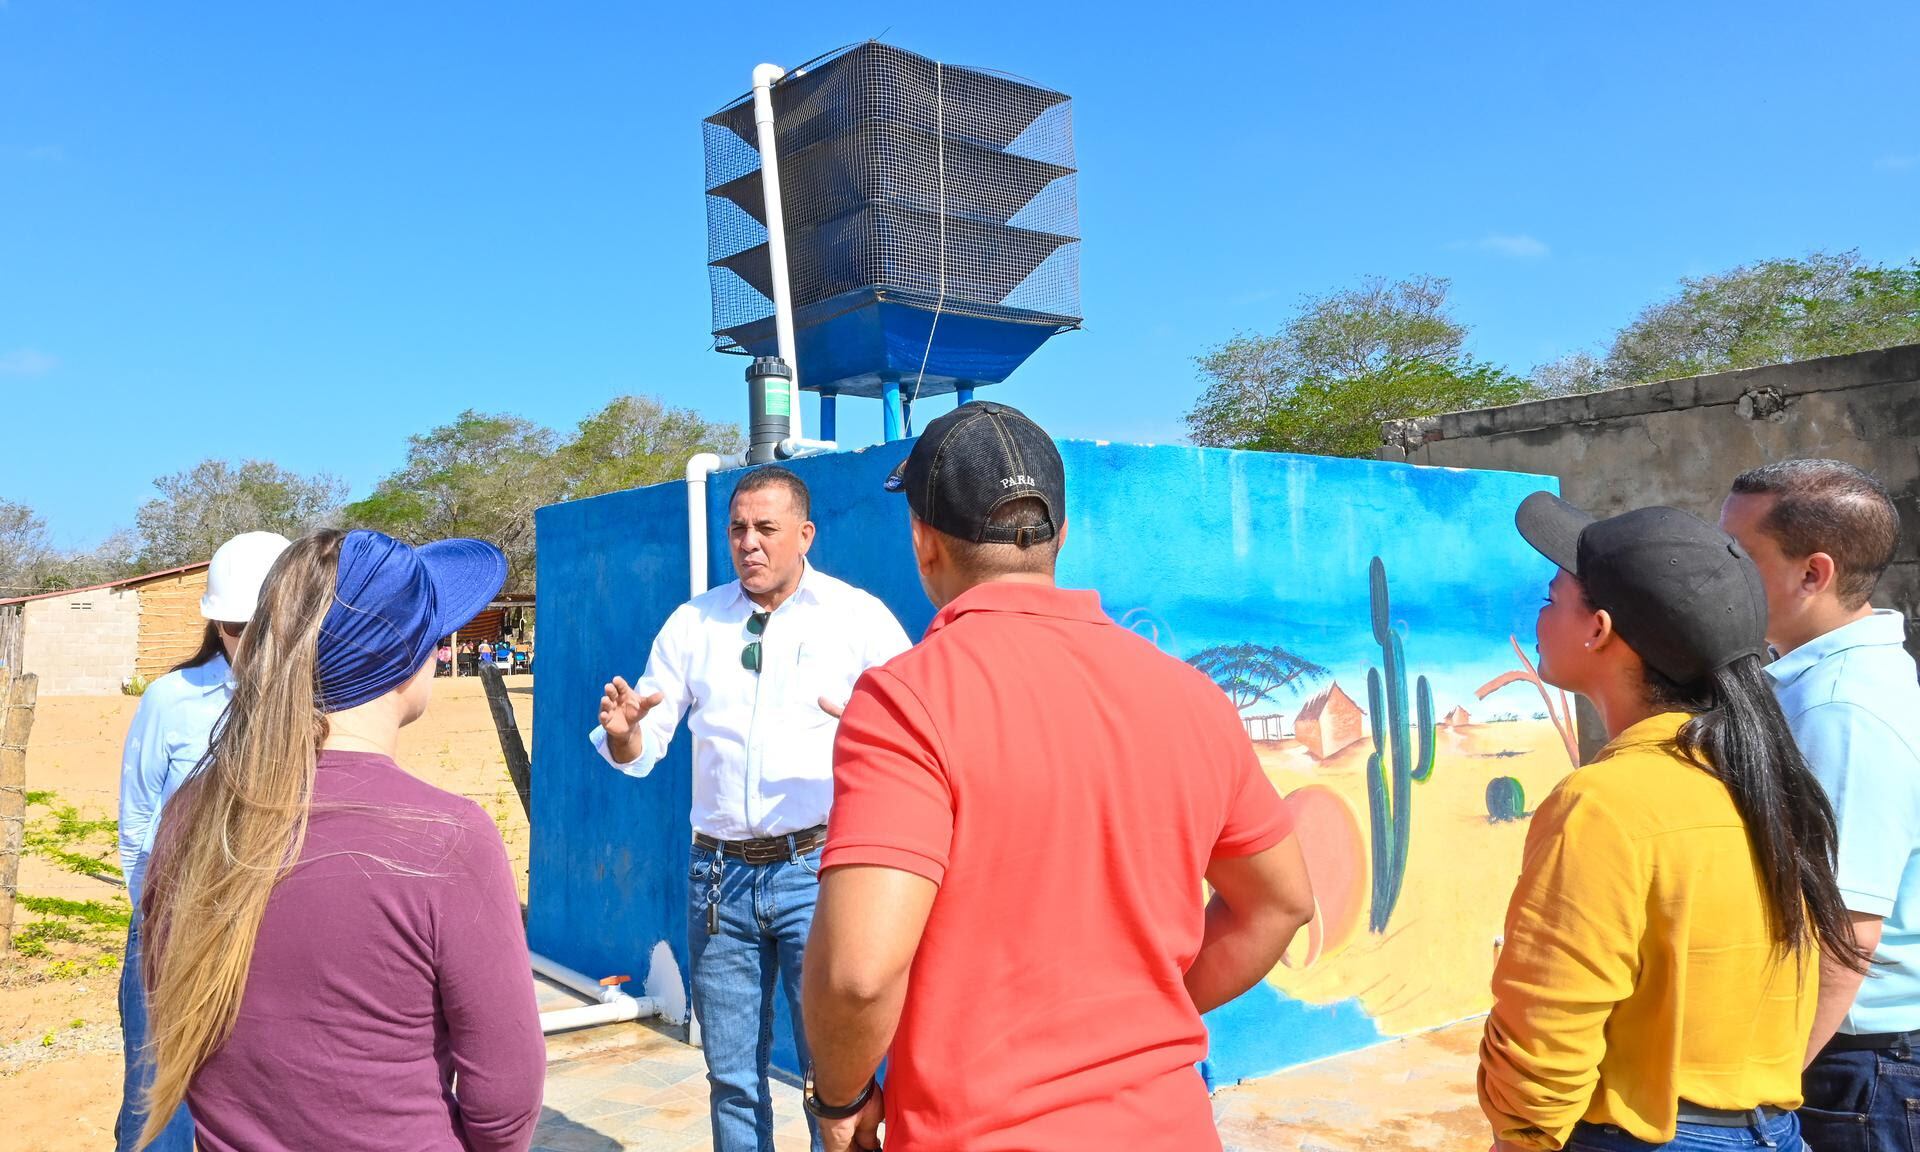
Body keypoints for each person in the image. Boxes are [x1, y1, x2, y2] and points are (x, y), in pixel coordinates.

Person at [800, 401, 1316, 1152]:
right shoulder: (1191, 696)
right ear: (1060, 535)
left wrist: (840, 1097)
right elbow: (1282, 903)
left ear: (923, 541)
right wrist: (1141, 1016)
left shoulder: (905, 702)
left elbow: (858, 976)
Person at [1479, 493, 1868, 1152]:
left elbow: (1546, 1042)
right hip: (1773, 1132)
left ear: (1598, 630)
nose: (1538, 617)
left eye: (1550, 600)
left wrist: (1517, 1138)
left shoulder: (1603, 802)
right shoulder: (1763, 777)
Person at [137, 529, 545, 1152]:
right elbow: (506, 1098)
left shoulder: (190, 814)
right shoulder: (448, 837)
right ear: (405, 661)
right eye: (436, 636)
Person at [592, 466, 910, 1152]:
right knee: (732, 1078)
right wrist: (624, 734)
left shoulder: (857, 619)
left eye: (766, 528)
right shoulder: (694, 624)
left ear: (805, 535)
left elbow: (916, 731)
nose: (748, 543)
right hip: (718, 883)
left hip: (818, 874)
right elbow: (643, 744)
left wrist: (874, 735)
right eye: (738, 529)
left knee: (836, 1080)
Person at [1720, 459, 1920, 1148]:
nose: (1720, 574)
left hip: (1854, 1063)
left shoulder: (1842, 709)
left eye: (1738, 555)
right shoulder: (1822, 682)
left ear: (1814, 574)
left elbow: (1846, 931)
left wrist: (1761, 1086)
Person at [115, 529, 290, 1152]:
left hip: (269, 928)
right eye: (237, 627)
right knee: (156, 1107)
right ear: (216, 625)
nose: (251, 643)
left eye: (264, 628)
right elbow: (138, 819)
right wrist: (156, 919)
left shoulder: (316, 705)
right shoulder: (172, 699)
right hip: (171, 922)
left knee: (261, 1100)